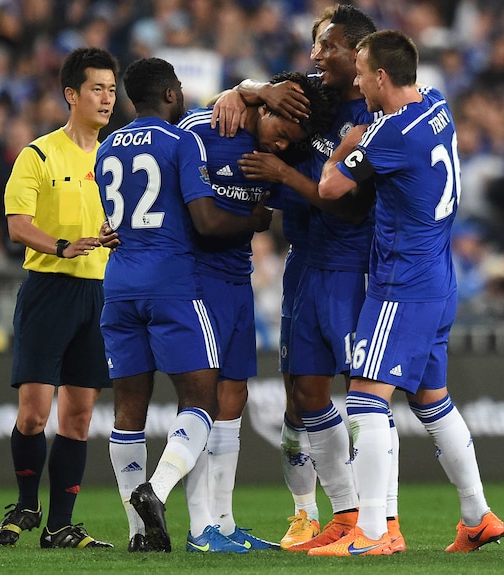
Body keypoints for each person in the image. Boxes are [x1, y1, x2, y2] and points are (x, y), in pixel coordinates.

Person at [311, 30, 504, 557]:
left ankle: (375, 530)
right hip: (440, 279)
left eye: (361, 71)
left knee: (364, 397)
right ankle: (477, 515)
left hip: (403, 283)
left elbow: (331, 189)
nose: (354, 80)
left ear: (379, 76)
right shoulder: (437, 105)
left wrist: (347, 144)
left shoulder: (388, 134)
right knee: (431, 399)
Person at [212, 4, 399, 553]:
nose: (316, 56)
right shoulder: (303, 94)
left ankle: (382, 520)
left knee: (365, 397)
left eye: (329, 47)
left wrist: (283, 174)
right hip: (304, 266)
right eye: (315, 45)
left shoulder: (372, 113)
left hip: (352, 267)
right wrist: (245, 89)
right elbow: (245, 101)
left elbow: (351, 206)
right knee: (303, 396)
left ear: (360, 54)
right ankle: (330, 514)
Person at [98, 57, 273, 553]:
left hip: (119, 287)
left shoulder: (107, 146)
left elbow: (116, 221)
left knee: (128, 410)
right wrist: (256, 219)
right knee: (202, 400)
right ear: (172, 93)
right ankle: (159, 488)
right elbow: (208, 223)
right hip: (172, 285)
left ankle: (138, 535)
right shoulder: (182, 141)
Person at [175, 70, 332, 554]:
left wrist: (251, 89)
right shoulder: (205, 129)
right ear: (264, 108)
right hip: (192, 281)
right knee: (198, 399)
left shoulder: (273, 159)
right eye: (282, 131)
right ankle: (195, 523)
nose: (283, 145)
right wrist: (244, 89)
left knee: (233, 398)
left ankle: (222, 524)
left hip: (236, 282)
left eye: (292, 141)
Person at [0, 47, 117, 549]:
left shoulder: (115, 158)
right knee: (34, 414)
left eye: (112, 88)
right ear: (72, 95)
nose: (107, 98)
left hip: (101, 294)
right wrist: (63, 247)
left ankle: (60, 525)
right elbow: (18, 225)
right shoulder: (38, 155)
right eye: (97, 89)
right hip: (48, 289)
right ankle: (24, 505)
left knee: (80, 415)